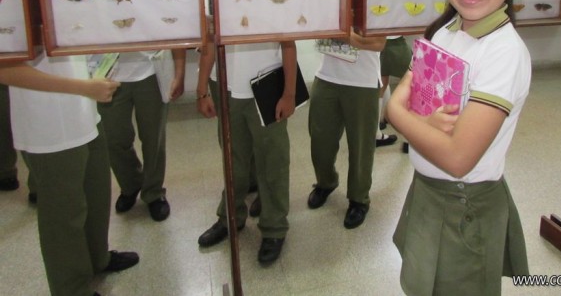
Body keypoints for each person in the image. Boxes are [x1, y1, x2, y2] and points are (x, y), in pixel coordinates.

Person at [386, 0, 530, 295]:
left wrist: (396, 114)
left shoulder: (504, 53)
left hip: (462, 202)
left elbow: (457, 157)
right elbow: (418, 98)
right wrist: (420, 118)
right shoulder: (446, 30)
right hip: (427, 189)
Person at [0, 53, 139, 296]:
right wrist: (83, 87)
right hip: (49, 125)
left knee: (96, 195)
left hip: (84, 112)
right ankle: (71, 289)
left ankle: (97, 259)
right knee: (64, 214)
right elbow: (5, 69)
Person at [196, 40, 297, 265]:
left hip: (267, 81)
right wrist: (202, 90)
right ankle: (230, 217)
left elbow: (288, 43)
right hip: (225, 84)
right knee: (232, 157)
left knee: (273, 159)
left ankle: (274, 227)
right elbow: (209, 42)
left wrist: (289, 93)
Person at [307, 31, 386, 229]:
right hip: (326, 76)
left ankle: (359, 199)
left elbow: (378, 43)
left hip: (362, 81)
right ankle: (326, 182)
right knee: (320, 141)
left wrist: (344, 35)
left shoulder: (374, 9)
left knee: (361, 147)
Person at [95, 50, 185, 221]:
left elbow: (175, 36)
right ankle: (131, 183)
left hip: (151, 72)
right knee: (114, 138)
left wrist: (179, 73)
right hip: (109, 74)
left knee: (154, 139)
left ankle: (153, 191)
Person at [376, 36, 412, 148]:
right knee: (410, 86)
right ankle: (408, 140)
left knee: (380, 86)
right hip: (397, 43)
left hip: (379, 44)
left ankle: (376, 132)